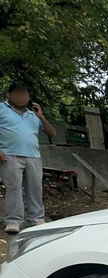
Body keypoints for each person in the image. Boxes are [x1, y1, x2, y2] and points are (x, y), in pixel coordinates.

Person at [0, 82, 56, 233]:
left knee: (35, 188)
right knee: (13, 188)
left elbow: (52, 133)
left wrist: (41, 116)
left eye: (24, 94)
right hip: (9, 155)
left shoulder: (33, 115)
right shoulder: (1, 108)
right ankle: (13, 221)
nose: (22, 97)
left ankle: (36, 218)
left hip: (33, 156)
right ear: (9, 95)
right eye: (18, 93)